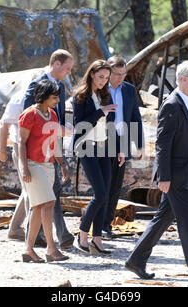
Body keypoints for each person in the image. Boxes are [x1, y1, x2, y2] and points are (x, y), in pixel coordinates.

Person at [125, 60, 188, 283]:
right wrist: (164, 176)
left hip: (183, 174)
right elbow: (163, 143)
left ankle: (136, 259)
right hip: (176, 177)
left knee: (163, 219)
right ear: (182, 80)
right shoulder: (172, 104)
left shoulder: (187, 102)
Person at [0, 49, 75, 249]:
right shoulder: (37, 86)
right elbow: (27, 124)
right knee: (39, 195)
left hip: (49, 146)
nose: (69, 72)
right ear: (56, 64)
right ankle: (41, 239)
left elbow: (56, 117)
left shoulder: (60, 88)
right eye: (67, 68)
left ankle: (28, 234)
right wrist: (25, 160)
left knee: (42, 194)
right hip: (34, 150)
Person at [18, 79, 70, 263]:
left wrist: (62, 164)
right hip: (32, 163)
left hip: (48, 164)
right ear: (44, 97)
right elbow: (21, 143)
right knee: (48, 202)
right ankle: (51, 248)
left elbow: (55, 142)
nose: (57, 100)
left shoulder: (53, 115)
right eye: (54, 97)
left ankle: (29, 249)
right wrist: (24, 167)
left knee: (39, 206)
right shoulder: (29, 115)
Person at [71, 60, 118, 255]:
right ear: (91, 74)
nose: (103, 81)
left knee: (105, 195)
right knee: (99, 194)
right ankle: (82, 234)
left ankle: (96, 239)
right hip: (86, 146)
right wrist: (101, 112)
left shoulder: (105, 94)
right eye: (100, 77)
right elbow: (78, 124)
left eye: (106, 78)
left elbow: (110, 124)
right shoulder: (81, 96)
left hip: (104, 147)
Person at [102, 55, 144, 239]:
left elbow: (135, 117)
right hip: (102, 142)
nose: (120, 77)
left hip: (123, 142)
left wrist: (139, 144)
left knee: (115, 186)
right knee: (102, 185)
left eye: (124, 74)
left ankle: (106, 225)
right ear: (109, 72)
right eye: (117, 74)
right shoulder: (100, 90)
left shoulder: (128, 90)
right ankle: (96, 223)